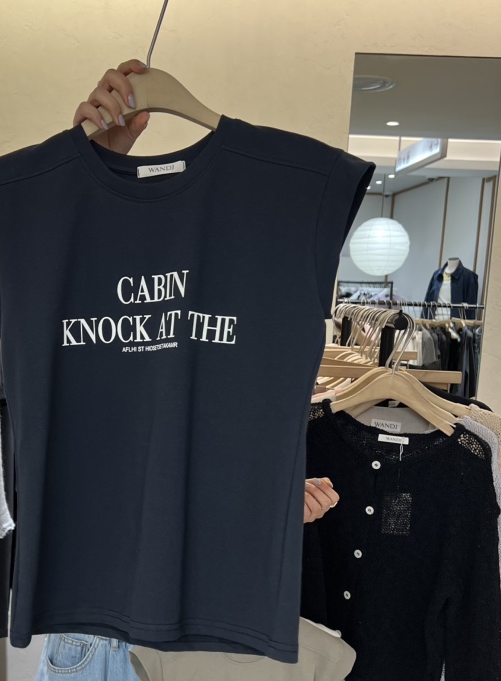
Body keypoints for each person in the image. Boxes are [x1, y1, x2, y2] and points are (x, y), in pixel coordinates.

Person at [74, 60, 340, 525]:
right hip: (97, 529)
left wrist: (273, 493)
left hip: (221, 533)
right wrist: (81, 181)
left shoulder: (298, 194)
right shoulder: (52, 220)